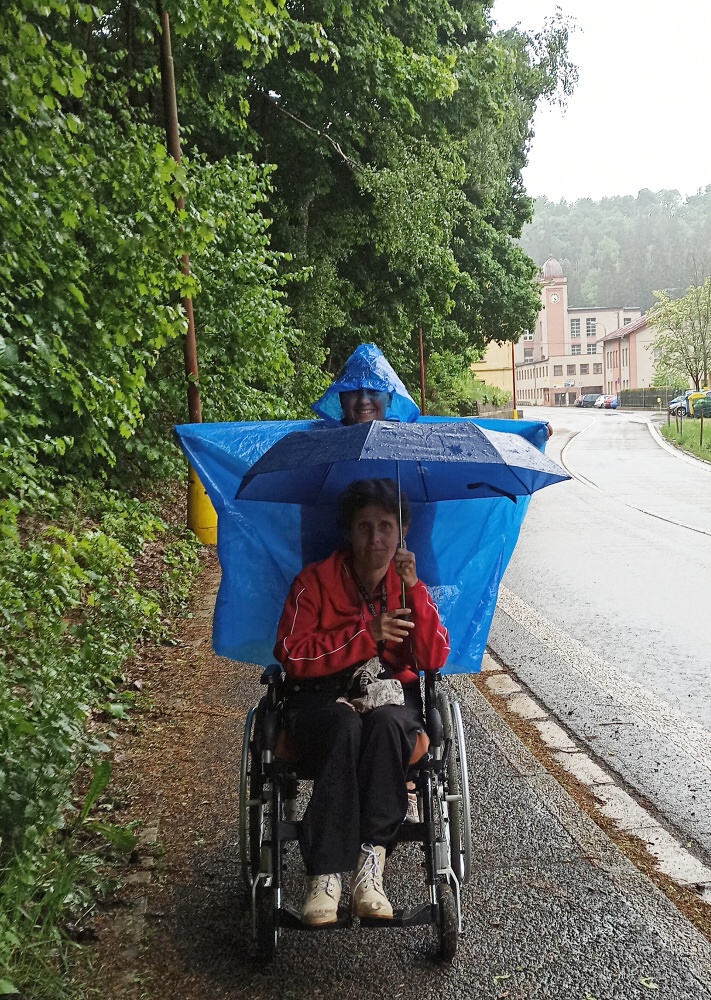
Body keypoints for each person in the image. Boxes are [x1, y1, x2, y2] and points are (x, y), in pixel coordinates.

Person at [274, 478, 449, 926]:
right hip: (319, 698)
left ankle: (371, 868)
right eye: (364, 527)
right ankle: (326, 875)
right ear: (348, 532)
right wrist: (364, 635)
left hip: (387, 696)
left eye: (386, 526)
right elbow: (292, 654)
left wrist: (415, 591)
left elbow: (433, 659)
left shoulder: (407, 588)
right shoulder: (314, 582)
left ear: (402, 532)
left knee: (388, 724)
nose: (376, 538)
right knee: (344, 725)